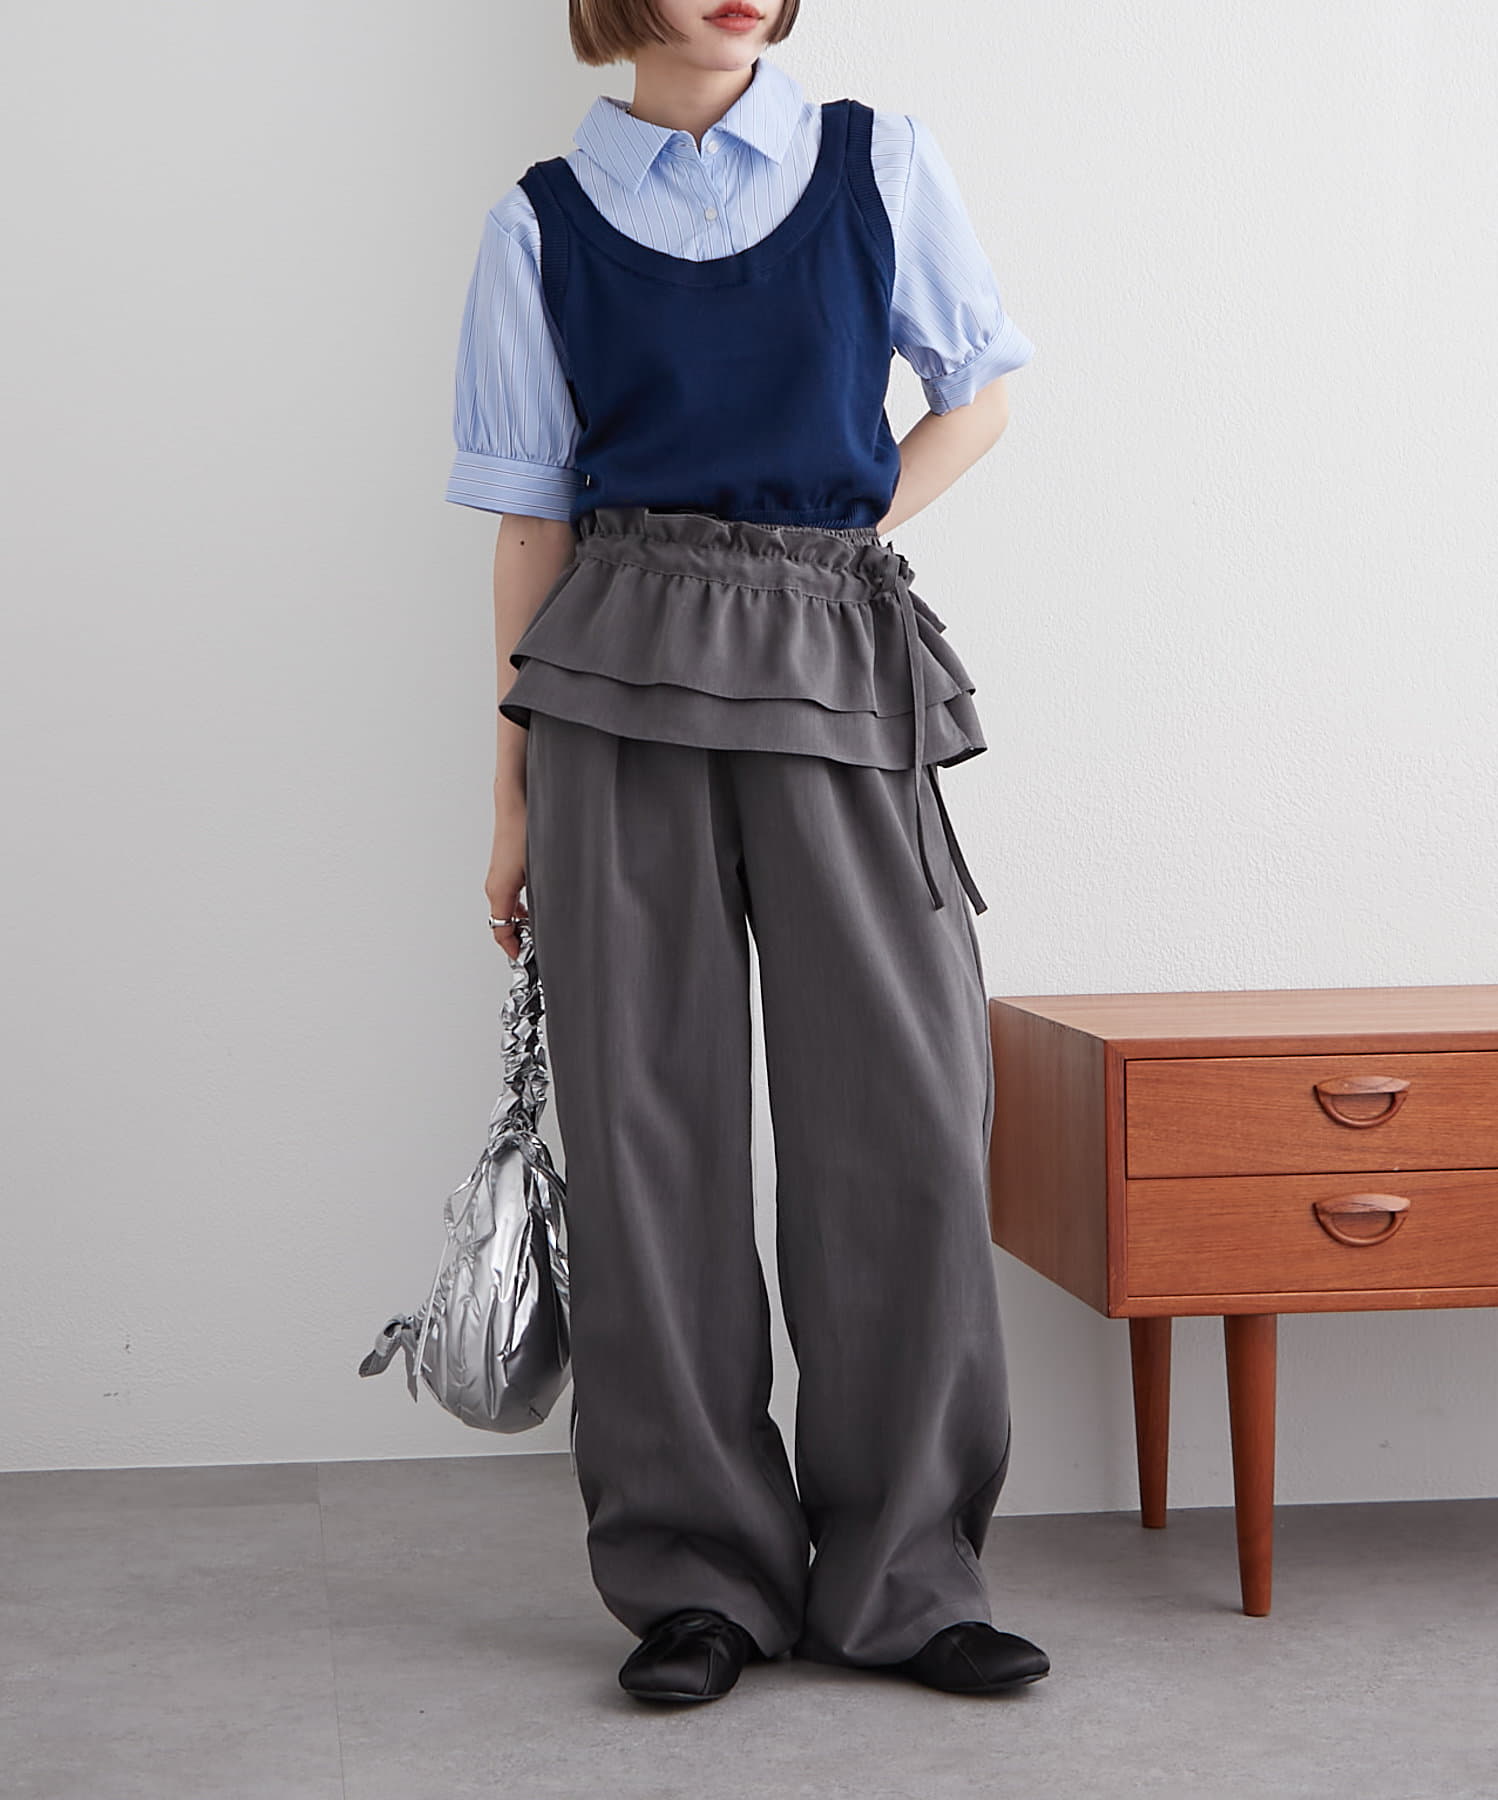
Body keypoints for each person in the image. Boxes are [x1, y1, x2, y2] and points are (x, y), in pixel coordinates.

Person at [446, 0, 1050, 1704]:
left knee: (905, 1113)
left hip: (836, 666)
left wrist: (830, 531)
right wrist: (507, 798)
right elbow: (530, 518)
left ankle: (907, 1577)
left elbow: (981, 393)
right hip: (612, 684)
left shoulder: (878, 164)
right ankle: (696, 1578)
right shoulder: (540, 223)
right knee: (647, 1133)